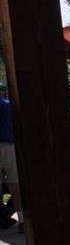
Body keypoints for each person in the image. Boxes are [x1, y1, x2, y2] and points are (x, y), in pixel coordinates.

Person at [0, 82, 19, 228]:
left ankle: (2, 216)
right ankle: (22, 220)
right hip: (9, 146)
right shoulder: (9, 105)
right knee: (15, 184)